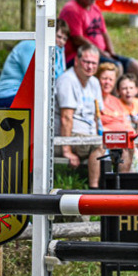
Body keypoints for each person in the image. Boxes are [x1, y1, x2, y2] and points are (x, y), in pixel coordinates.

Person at [59, 0, 138, 79]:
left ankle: (133, 94)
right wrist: (102, 53)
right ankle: (110, 95)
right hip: (80, 56)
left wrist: (111, 53)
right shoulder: (71, 10)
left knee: (134, 65)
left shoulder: (95, 8)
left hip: (101, 54)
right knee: (115, 68)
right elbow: (78, 39)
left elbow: (104, 32)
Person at [55, 44, 104, 189]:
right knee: (100, 145)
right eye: (86, 62)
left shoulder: (94, 82)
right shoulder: (67, 81)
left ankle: (121, 195)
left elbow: (97, 116)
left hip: (88, 136)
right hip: (69, 137)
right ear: (76, 61)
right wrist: (67, 151)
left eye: (94, 63)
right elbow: (66, 118)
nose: (90, 66)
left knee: (122, 146)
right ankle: (94, 190)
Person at [0, 19, 69, 107]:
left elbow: (60, 78)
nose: (61, 41)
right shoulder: (31, 46)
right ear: (50, 34)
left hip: (26, 95)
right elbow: (36, 77)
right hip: (9, 95)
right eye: (59, 37)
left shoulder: (57, 53)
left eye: (64, 39)